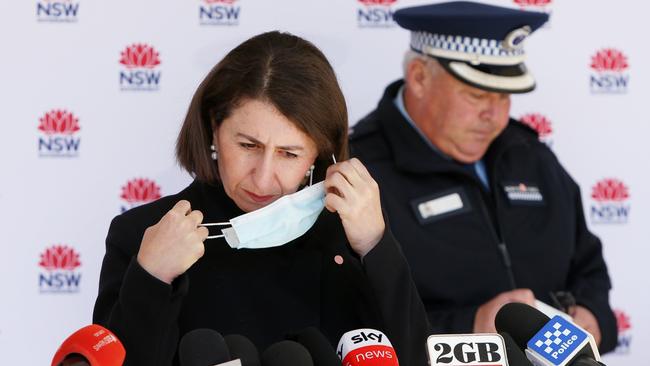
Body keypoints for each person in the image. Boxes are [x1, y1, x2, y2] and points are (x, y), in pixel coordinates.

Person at [93, 31, 429, 365]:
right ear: (213, 128)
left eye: (288, 153)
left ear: (318, 154)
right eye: (248, 146)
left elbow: (417, 357)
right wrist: (151, 279)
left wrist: (376, 246)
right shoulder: (141, 233)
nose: (263, 176)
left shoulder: (349, 231)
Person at [350, 1, 618, 353]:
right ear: (418, 77)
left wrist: (591, 316)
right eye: (476, 94)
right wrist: (469, 326)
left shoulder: (531, 156)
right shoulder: (359, 171)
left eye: (504, 96)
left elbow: (588, 265)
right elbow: (351, 323)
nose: (494, 116)